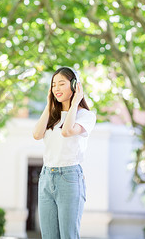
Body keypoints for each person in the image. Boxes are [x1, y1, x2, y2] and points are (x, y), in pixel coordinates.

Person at [32, 67, 96, 239]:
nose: (56, 89)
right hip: (46, 177)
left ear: (74, 86)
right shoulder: (52, 116)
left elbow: (67, 131)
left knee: (68, 235)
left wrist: (75, 103)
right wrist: (49, 104)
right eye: (53, 85)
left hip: (69, 177)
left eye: (61, 84)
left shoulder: (86, 116)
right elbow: (37, 135)